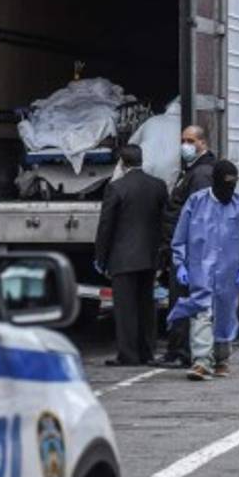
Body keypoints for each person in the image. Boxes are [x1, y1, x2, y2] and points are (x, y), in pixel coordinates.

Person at [167, 160, 239, 381]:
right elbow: (180, 238)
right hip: (200, 271)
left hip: (229, 274)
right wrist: (180, 264)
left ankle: (221, 359)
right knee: (202, 313)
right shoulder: (196, 203)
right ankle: (201, 362)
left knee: (225, 316)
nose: (229, 191)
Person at [94, 145, 168, 367]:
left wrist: (101, 256)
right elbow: (165, 220)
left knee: (125, 309)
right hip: (149, 256)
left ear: (122, 163)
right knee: (147, 305)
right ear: (141, 160)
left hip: (123, 257)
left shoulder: (116, 188)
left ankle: (128, 354)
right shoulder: (158, 186)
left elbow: (106, 226)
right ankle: (147, 351)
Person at [157, 125, 217, 367]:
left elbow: (199, 216)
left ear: (202, 143)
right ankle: (180, 350)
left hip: (190, 251)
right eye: (183, 140)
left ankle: (181, 352)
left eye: (190, 140)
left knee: (182, 300)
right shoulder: (195, 170)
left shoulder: (201, 173)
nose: (185, 145)